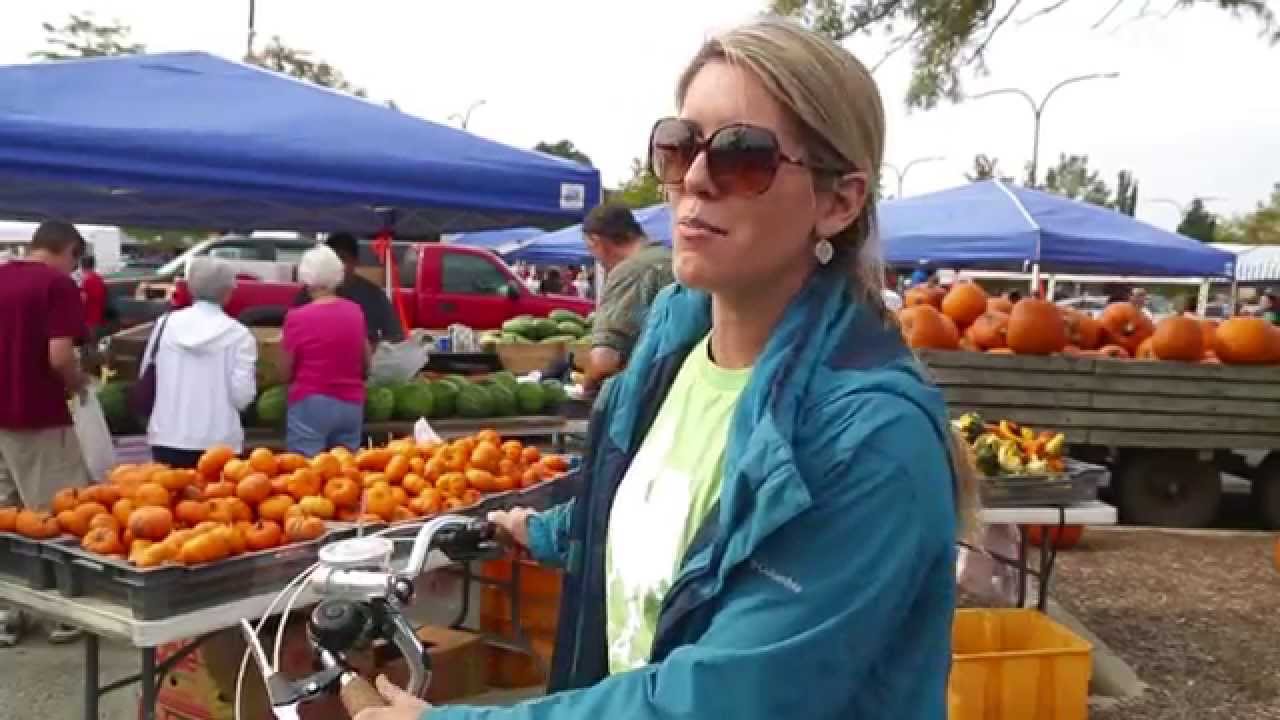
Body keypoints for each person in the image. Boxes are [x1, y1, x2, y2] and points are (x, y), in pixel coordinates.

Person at [360, 18, 969, 720]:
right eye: (680, 147)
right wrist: (548, 530)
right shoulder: (667, 351)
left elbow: (725, 699)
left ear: (838, 202)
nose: (696, 180)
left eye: (744, 155)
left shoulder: (871, 441)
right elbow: (661, 522)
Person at [0, 221, 92, 647]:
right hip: (37, 413)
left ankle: (7, 611)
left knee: (6, 514)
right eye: (78, 259)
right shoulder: (57, 286)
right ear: (70, 249)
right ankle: (62, 611)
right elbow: (59, 355)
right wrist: (77, 383)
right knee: (57, 511)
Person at [145, 258, 257, 469]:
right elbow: (242, 396)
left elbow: (147, 370)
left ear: (190, 287)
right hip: (220, 442)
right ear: (227, 291)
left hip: (167, 435)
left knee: (164, 499)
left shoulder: (165, 324)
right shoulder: (240, 335)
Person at [282, 245, 368, 456]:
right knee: (346, 474)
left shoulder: (297, 318)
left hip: (311, 403)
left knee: (305, 474)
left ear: (306, 278)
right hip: (351, 404)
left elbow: (285, 371)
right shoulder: (355, 312)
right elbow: (366, 363)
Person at [580, 203, 675, 392]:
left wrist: (586, 384)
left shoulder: (630, 272)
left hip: (649, 395)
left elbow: (604, 360)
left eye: (591, 249)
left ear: (597, 241)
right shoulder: (673, 260)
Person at [292, 233, 404, 344]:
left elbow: (395, 337)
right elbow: (292, 333)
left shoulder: (375, 296)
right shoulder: (308, 293)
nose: (336, 265)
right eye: (332, 260)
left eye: (342, 258)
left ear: (355, 261)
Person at [79, 255, 108, 339]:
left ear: (82, 266)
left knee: (89, 340)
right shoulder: (99, 279)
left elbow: (83, 299)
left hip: (88, 317)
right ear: (93, 265)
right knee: (94, 340)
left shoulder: (86, 281)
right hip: (98, 314)